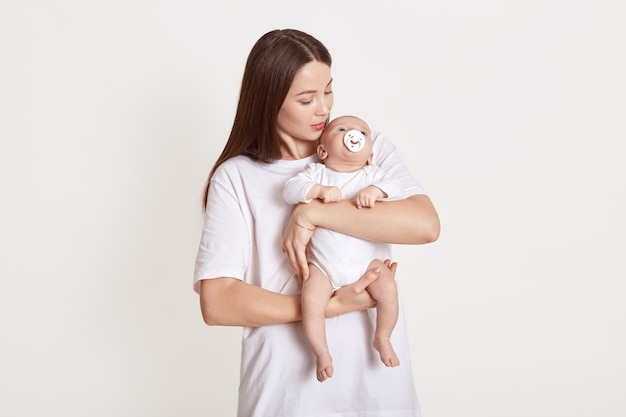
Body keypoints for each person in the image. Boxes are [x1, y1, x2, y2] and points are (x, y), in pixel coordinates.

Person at [194, 29, 440, 417]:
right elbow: (218, 302)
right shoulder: (238, 177)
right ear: (268, 101)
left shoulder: (366, 147)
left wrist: (313, 213)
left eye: (328, 91)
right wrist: (329, 306)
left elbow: (425, 225)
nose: (323, 109)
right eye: (306, 99)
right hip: (286, 398)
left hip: (379, 392)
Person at [283, 115, 407, 382]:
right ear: (322, 150)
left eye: (362, 130)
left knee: (388, 289)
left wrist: (378, 190)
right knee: (311, 301)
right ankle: (321, 351)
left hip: (367, 263)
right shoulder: (317, 173)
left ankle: (382, 337)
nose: (354, 134)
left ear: (370, 154)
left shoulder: (371, 175)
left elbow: (397, 187)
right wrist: (316, 190)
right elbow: (290, 190)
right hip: (324, 267)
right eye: (342, 129)